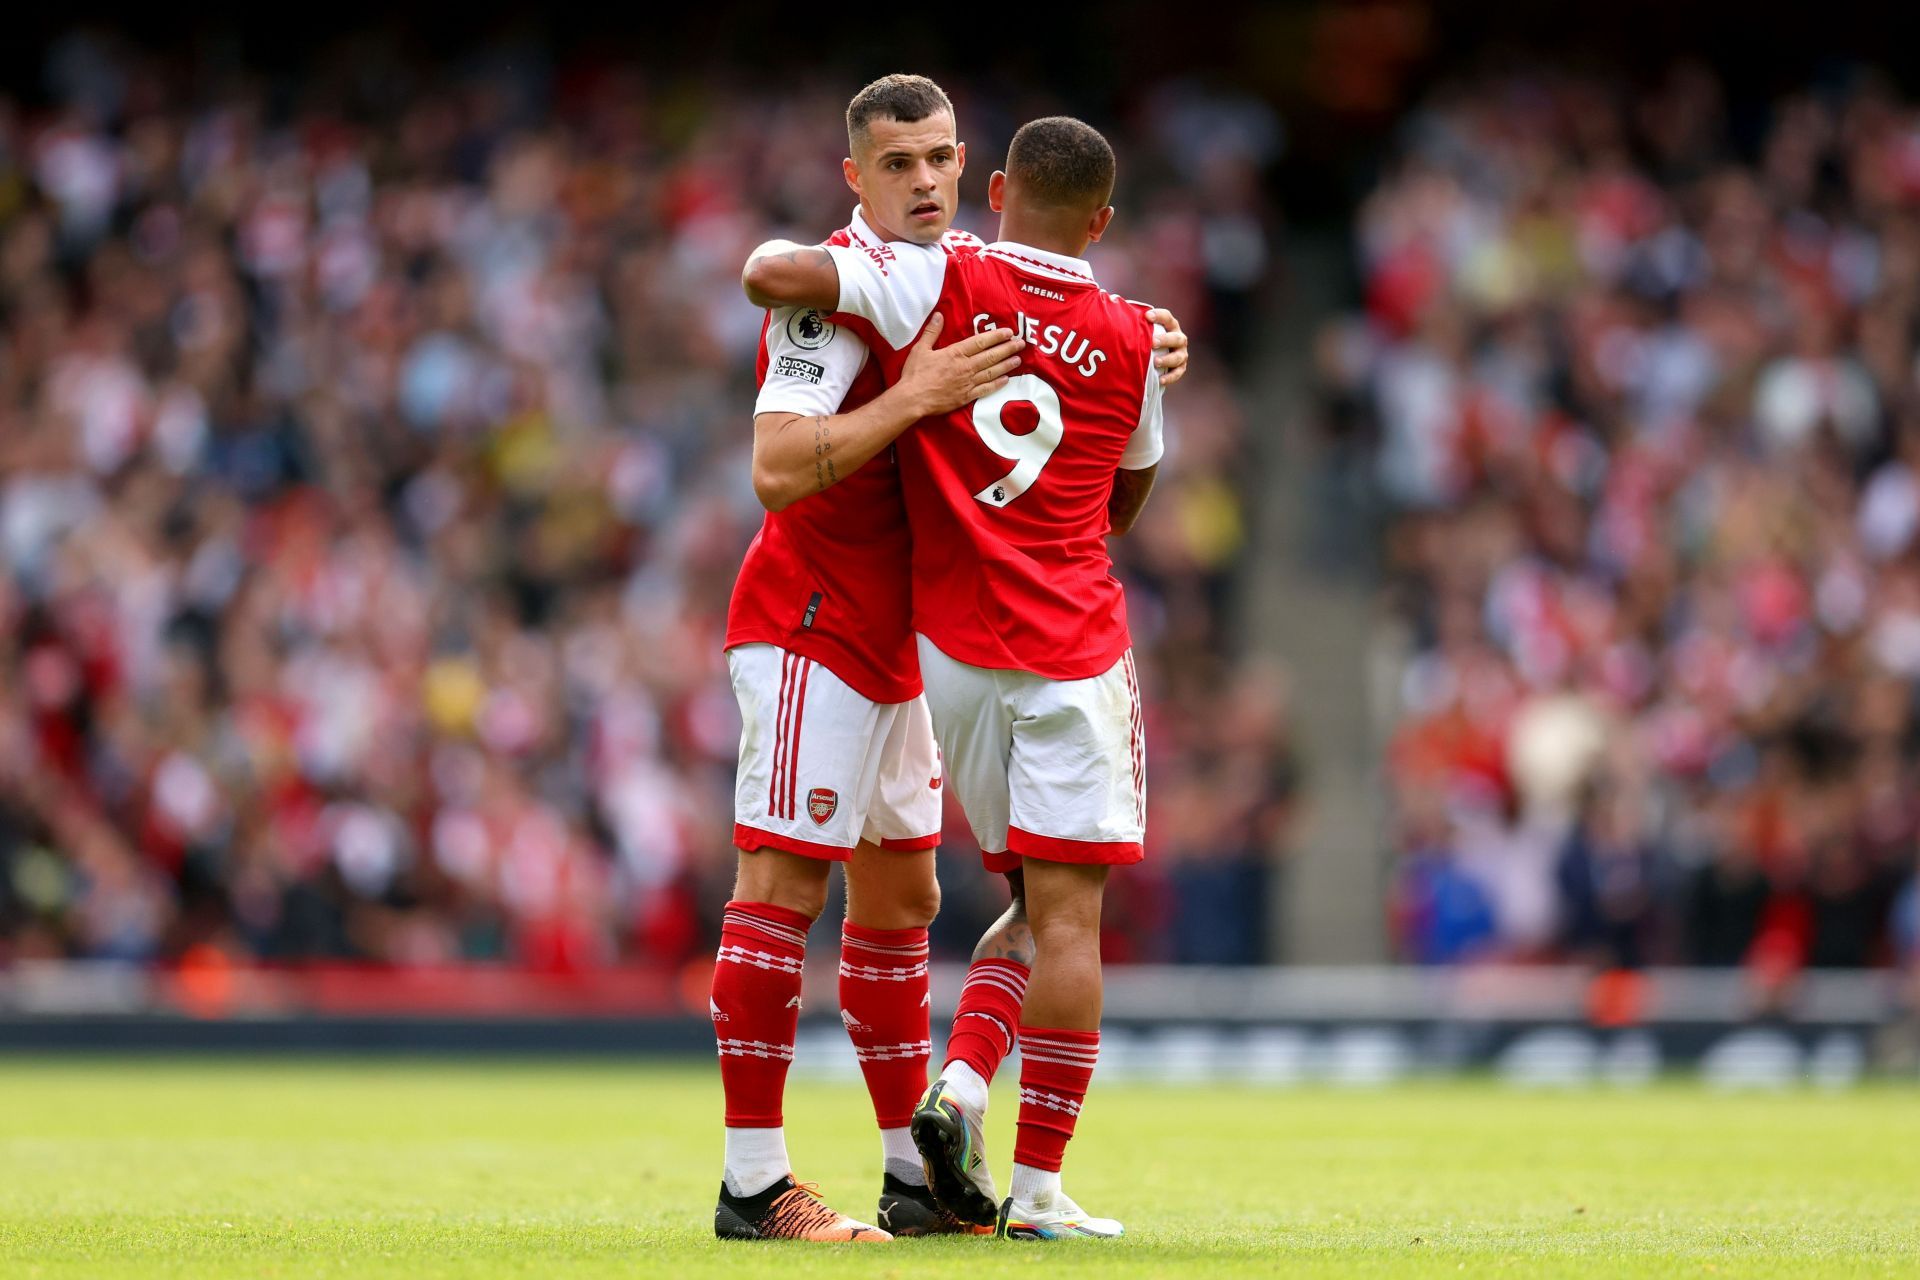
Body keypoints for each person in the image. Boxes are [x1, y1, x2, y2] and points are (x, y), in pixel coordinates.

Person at [713, 76, 1188, 1242]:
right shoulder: (840, 294)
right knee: (783, 886)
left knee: (906, 897)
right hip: (813, 616)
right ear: (856, 177)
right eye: (898, 164)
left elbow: (1067, 320)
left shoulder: (964, 270)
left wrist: (1147, 339)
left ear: (969, 166)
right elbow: (776, 467)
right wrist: (913, 394)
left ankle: (909, 1173)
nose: (922, 181)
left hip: (913, 642)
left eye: (937, 159)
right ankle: (756, 1183)